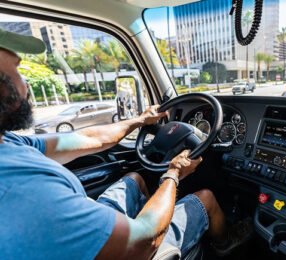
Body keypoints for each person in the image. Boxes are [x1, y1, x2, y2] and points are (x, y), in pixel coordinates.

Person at [0, 29, 252, 260]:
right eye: (18, 70)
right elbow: (143, 240)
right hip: (132, 249)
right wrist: (173, 173)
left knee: (134, 179)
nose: (27, 83)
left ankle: (156, 215)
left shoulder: (10, 143)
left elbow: (89, 139)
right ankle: (223, 244)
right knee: (206, 198)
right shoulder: (20, 190)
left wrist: (140, 120)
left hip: (85, 232)